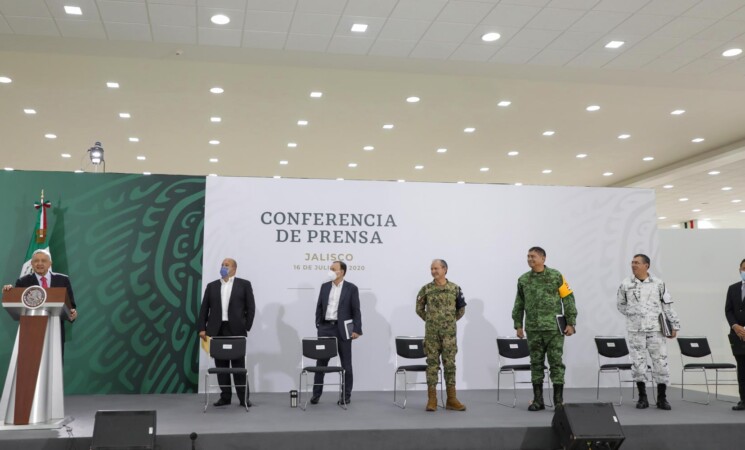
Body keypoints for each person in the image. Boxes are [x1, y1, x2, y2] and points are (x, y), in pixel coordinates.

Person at [512, 246, 577, 411]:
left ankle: (558, 401)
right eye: (528, 257)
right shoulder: (523, 280)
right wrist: (518, 325)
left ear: (543, 258)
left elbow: (568, 299)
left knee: (556, 363)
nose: (530, 259)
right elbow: (519, 304)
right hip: (533, 329)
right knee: (536, 364)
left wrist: (571, 322)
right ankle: (538, 400)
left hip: (554, 330)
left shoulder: (556, 276)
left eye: (533, 256)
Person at [617, 254, 680, 410]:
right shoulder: (626, 284)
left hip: (655, 330)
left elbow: (668, 305)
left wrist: (674, 325)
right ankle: (642, 397)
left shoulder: (658, 283)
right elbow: (620, 305)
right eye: (632, 262)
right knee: (638, 364)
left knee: (661, 363)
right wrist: (634, 315)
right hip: (636, 330)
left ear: (646, 265)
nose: (633, 265)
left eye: (637, 263)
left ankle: (662, 398)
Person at [198, 258, 256, 407]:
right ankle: (225, 397)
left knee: (238, 366)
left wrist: (246, 327)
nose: (223, 267)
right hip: (217, 330)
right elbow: (204, 308)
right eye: (222, 265)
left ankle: (244, 398)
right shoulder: (212, 286)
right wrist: (202, 328)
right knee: (221, 366)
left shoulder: (244, 284)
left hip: (236, 330)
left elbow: (251, 308)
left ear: (234, 269)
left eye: (227, 265)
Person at [3, 249, 78, 356]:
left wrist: (73, 314)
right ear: (32, 264)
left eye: (43, 260)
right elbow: (17, 304)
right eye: (36, 261)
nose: (39, 263)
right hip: (31, 333)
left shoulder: (63, 280)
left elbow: (71, 307)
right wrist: (10, 291)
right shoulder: (22, 282)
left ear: (50, 263)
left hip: (56, 332)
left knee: (54, 367)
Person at [416, 259, 467, 412]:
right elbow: (419, 309)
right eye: (431, 269)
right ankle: (432, 400)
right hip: (431, 334)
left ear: (445, 269)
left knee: (450, 365)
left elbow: (461, 309)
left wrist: (448, 322)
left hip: (449, 335)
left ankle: (452, 399)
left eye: (436, 268)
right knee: (432, 365)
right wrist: (432, 320)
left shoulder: (455, 288)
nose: (433, 271)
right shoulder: (426, 289)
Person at [311, 261, 362, 406]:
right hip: (326, 328)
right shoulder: (325, 286)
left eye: (333, 269)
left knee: (346, 364)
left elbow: (356, 310)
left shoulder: (351, 288)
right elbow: (319, 307)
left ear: (342, 272)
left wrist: (357, 329)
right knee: (321, 363)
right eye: (330, 269)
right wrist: (319, 325)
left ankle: (346, 396)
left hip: (343, 329)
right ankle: (316, 395)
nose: (331, 271)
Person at [725, 258, 745, 411]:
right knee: (742, 369)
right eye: (743, 268)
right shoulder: (733, 288)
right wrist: (735, 326)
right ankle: (743, 400)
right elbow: (729, 310)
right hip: (737, 335)